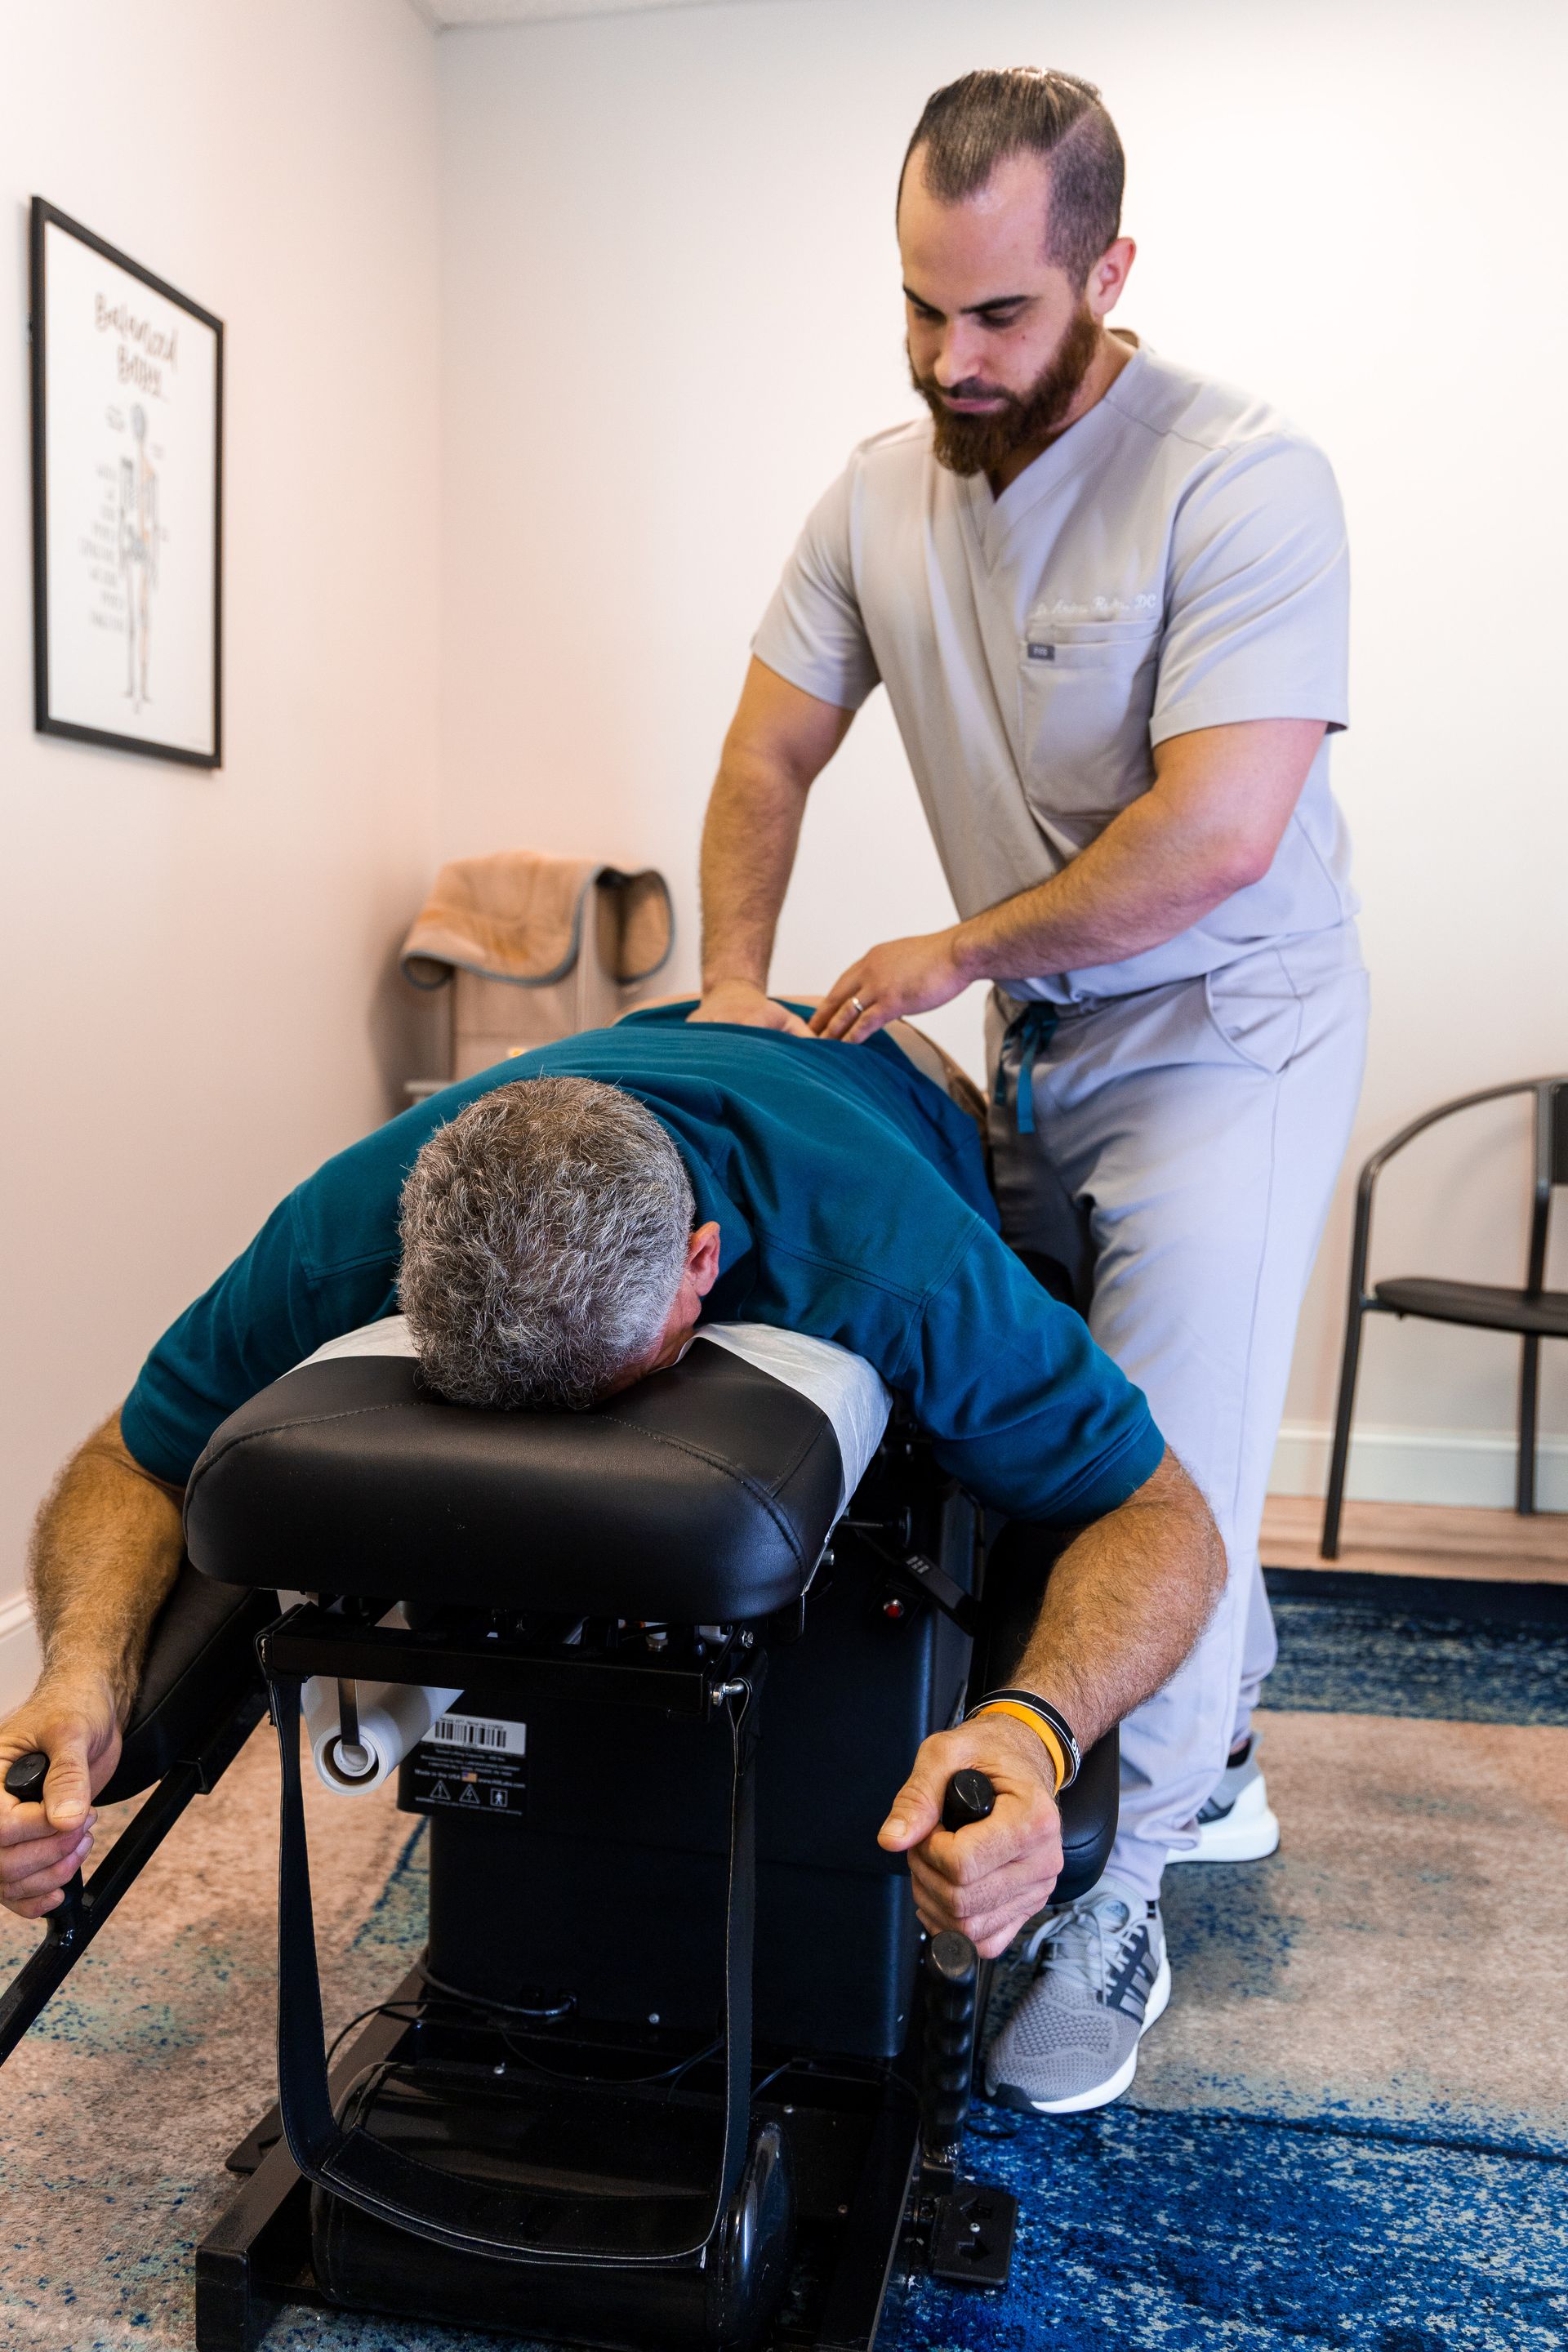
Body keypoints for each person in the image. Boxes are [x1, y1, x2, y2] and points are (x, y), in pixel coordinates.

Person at [693, 67, 1369, 2108]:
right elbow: (766, 761)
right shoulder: (873, 492)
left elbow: (1225, 832)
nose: (946, 356)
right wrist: (733, 987)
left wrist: (956, 948)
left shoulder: (1244, 479)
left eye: (996, 315)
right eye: (917, 306)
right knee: (1038, 1419)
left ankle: (1125, 1881)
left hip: (1228, 1029)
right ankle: (1215, 1724)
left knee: (1158, 1443)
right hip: (1047, 1033)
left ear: (1107, 272)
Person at [2, 1006, 1222, 2109]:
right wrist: (81, 1674)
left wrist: (1033, 1726)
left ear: (704, 1263)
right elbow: (136, 1458)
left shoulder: (897, 1260)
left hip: (884, 1075)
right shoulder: (340, 1225)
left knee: (1041, 1429)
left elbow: (1161, 1518)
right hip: (662, 1037)